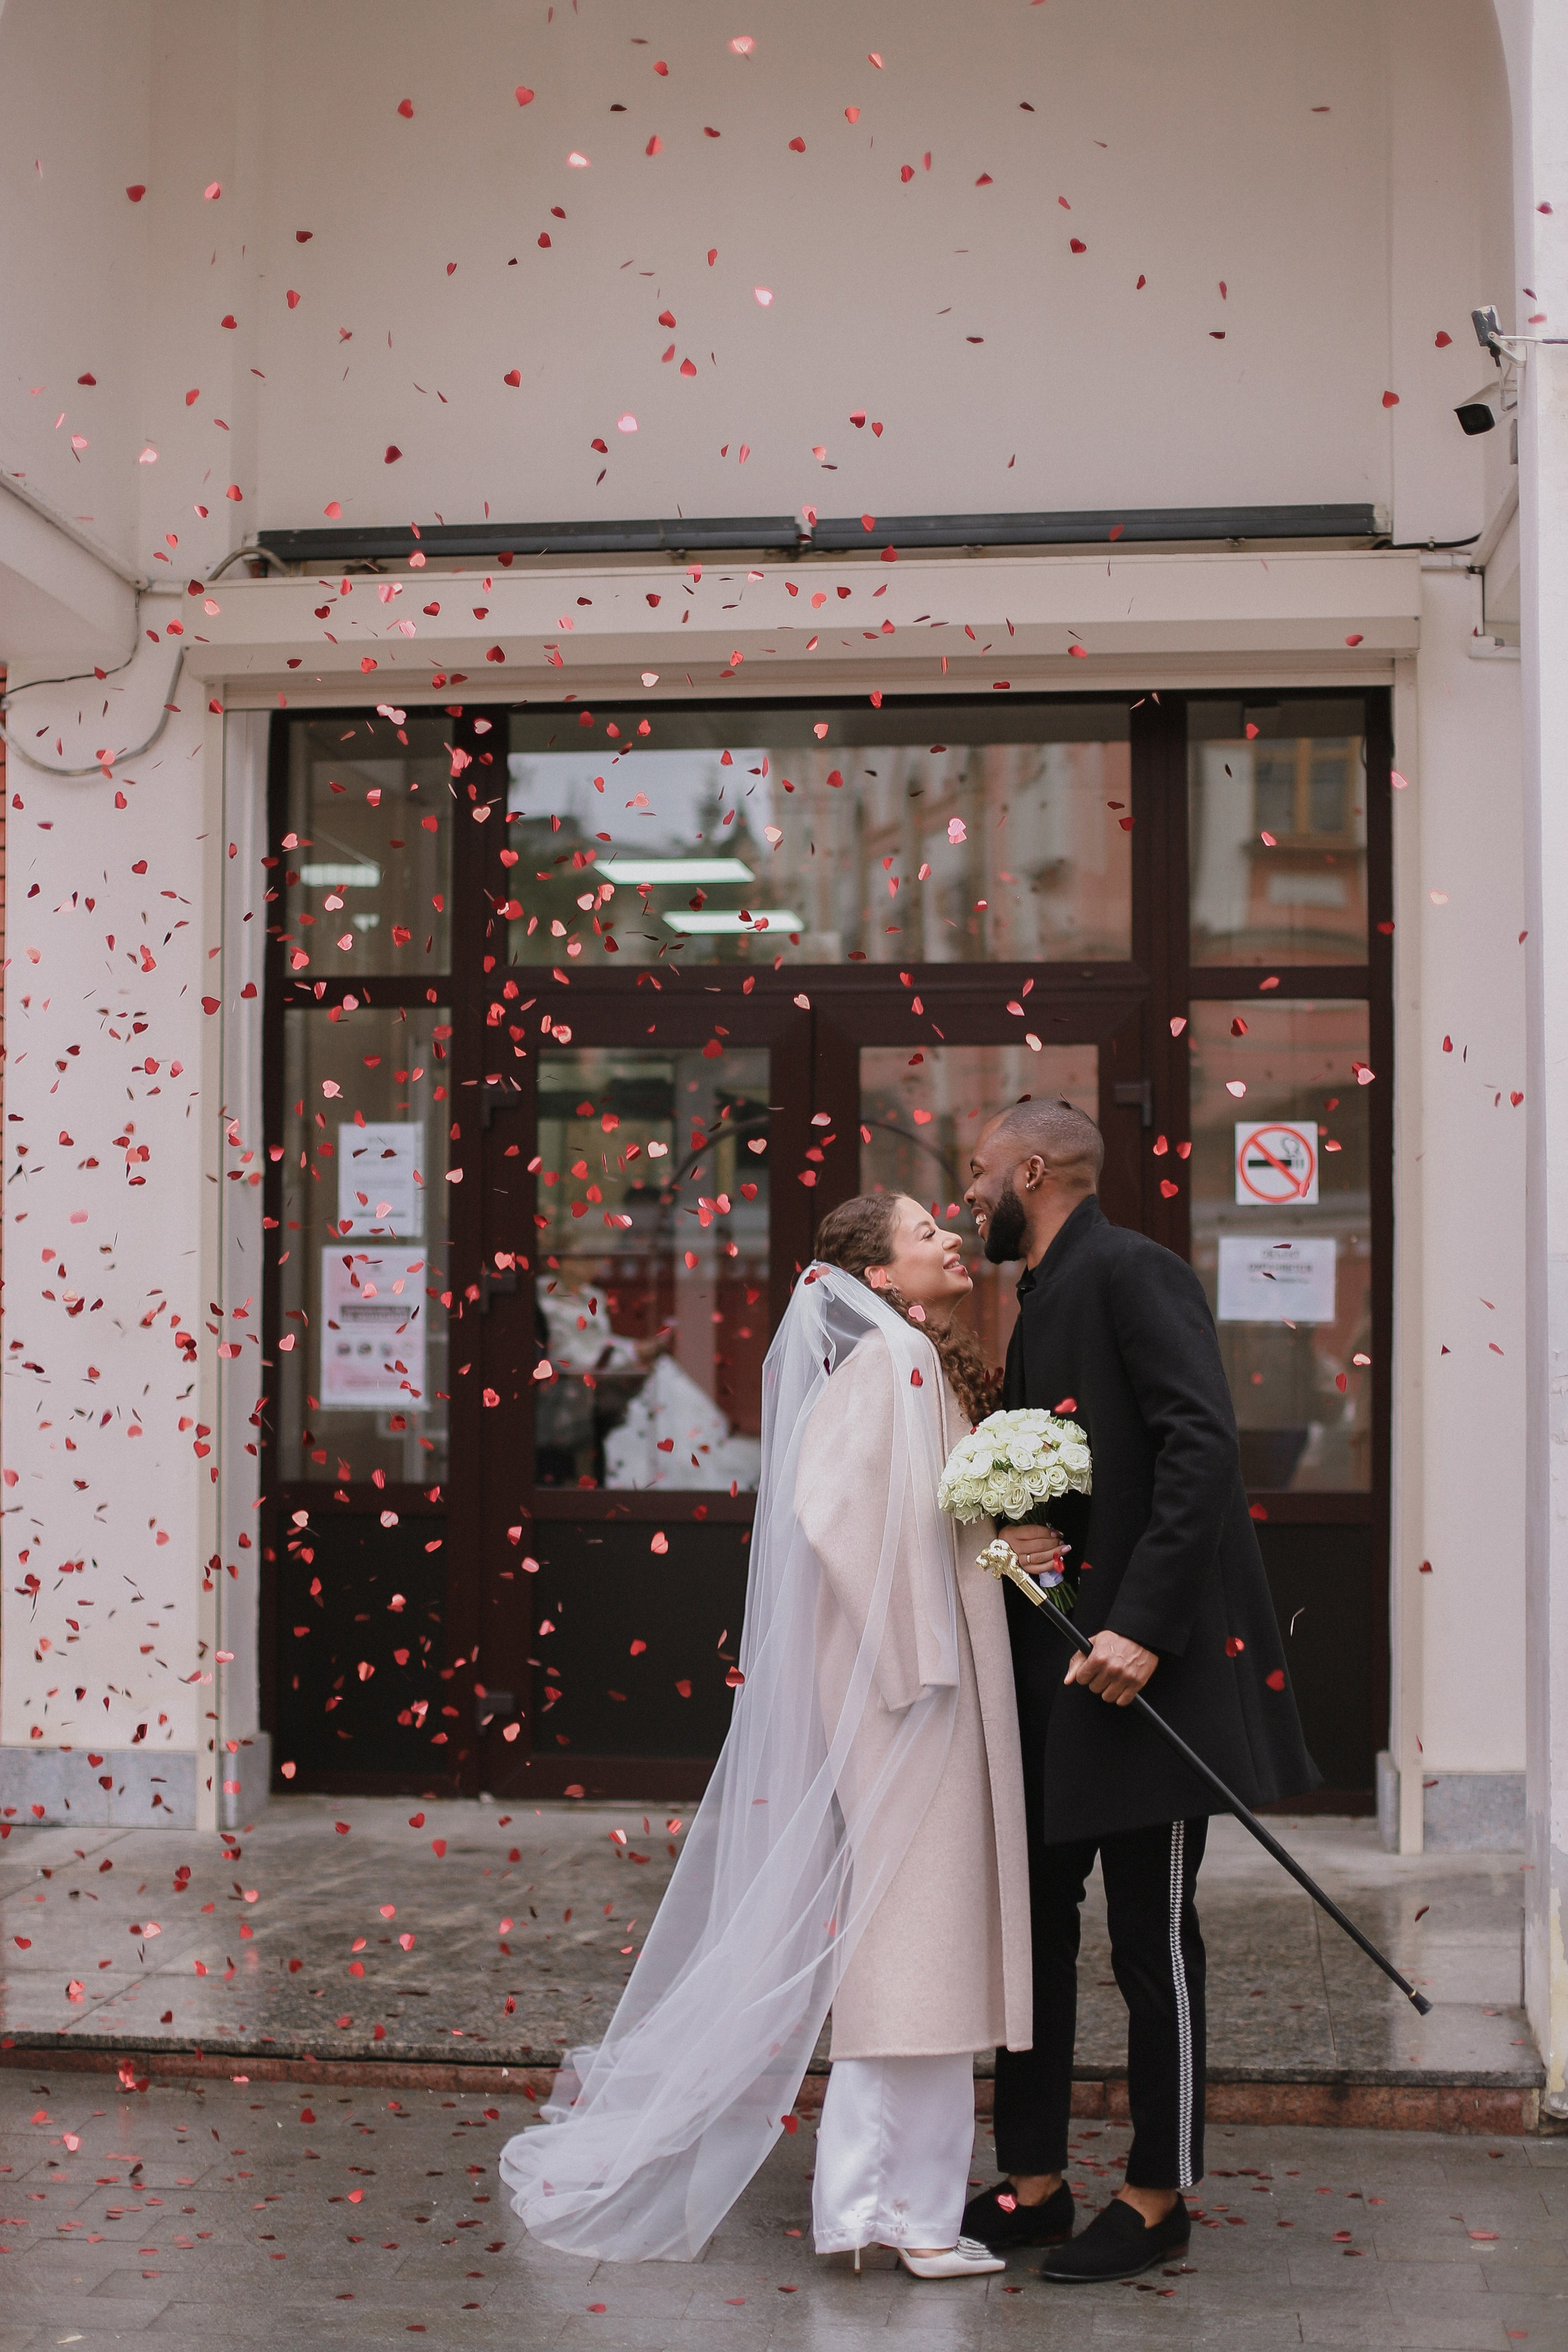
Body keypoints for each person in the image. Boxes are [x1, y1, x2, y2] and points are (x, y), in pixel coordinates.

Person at [499, 1193, 1050, 2274]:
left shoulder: (903, 1357)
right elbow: (832, 1515)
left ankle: (887, 2208)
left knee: (917, 1953)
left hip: (911, 1687)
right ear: (879, 1275)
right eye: (922, 1231)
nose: (949, 1238)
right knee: (916, 1953)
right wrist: (920, 1651)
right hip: (912, 1696)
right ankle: (895, 2214)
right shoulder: (894, 1362)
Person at [960, 1099, 1319, 2286]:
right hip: (1055, 1677)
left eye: (976, 1178)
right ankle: (1035, 2180)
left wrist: (1137, 1629)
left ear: (1029, 1169)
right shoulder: (1035, 1301)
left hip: (1139, 1679)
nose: (970, 1203)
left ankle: (1157, 2194)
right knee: (1041, 1928)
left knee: (1147, 1936)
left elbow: (1198, 1447)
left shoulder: (1131, 1273)